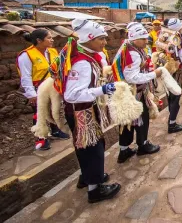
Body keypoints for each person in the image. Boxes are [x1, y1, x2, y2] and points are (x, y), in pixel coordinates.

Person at [54, 19, 120, 203]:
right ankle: (95, 189)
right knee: (93, 148)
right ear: (89, 39)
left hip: (82, 111)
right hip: (82, 112)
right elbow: (72, 94)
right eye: (101, 39)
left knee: (84, 147)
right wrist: (103, 90)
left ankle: (87, 177)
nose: (105, 43)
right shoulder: (82, 63)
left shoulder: (86, 56)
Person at [113, 22, 161, 163]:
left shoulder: (129, 48)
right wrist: (154, 74)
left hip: (127, 92)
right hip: (134, 92)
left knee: (127, 120)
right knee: (141, 118)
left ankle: (124, 149)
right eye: (143, 39)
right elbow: (132, 77)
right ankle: (143, 145)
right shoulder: (133, 53)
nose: (146, 41)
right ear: (134, 39)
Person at [17, 29, 69, 150]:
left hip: (53, 86)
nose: (52, 40)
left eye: (52, 37)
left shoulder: (52, 52)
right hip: (37, 89)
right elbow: (26, 76)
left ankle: (55, 130)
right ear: (39, 40)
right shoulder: (26, 55)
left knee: (53, 109)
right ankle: (40, 138)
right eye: (49, 38)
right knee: (39, 113)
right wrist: (31, 94)